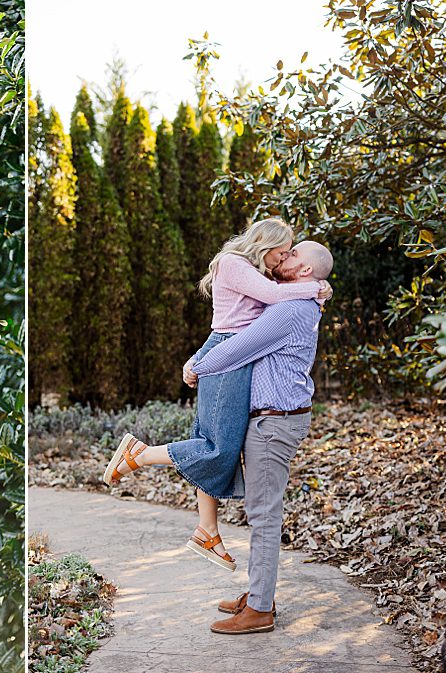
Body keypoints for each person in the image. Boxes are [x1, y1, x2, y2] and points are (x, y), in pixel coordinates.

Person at [103, 218, 330, 571]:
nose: (282, 259)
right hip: (230, 352)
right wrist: (315, 288)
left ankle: (207, 531)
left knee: (214, 443)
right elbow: (264, 305)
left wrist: (319, 285)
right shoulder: (233, 263)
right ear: (264, 244)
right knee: (217, 447)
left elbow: (269, 300)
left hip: (234, 349)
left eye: (289, 255)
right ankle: (139, 455)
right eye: (281, 252)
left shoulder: (260, 273)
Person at [189, 241, 334, 634]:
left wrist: (196, 366)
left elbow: (235, 349)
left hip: (274, 423)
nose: (283, 259)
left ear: (305, 271)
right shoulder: (294, 299)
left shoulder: (289, 310)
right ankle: (258, 594)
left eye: (291, 256)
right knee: (261, 514)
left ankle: (259, 610)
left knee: (264, 516)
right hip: (274, 419)